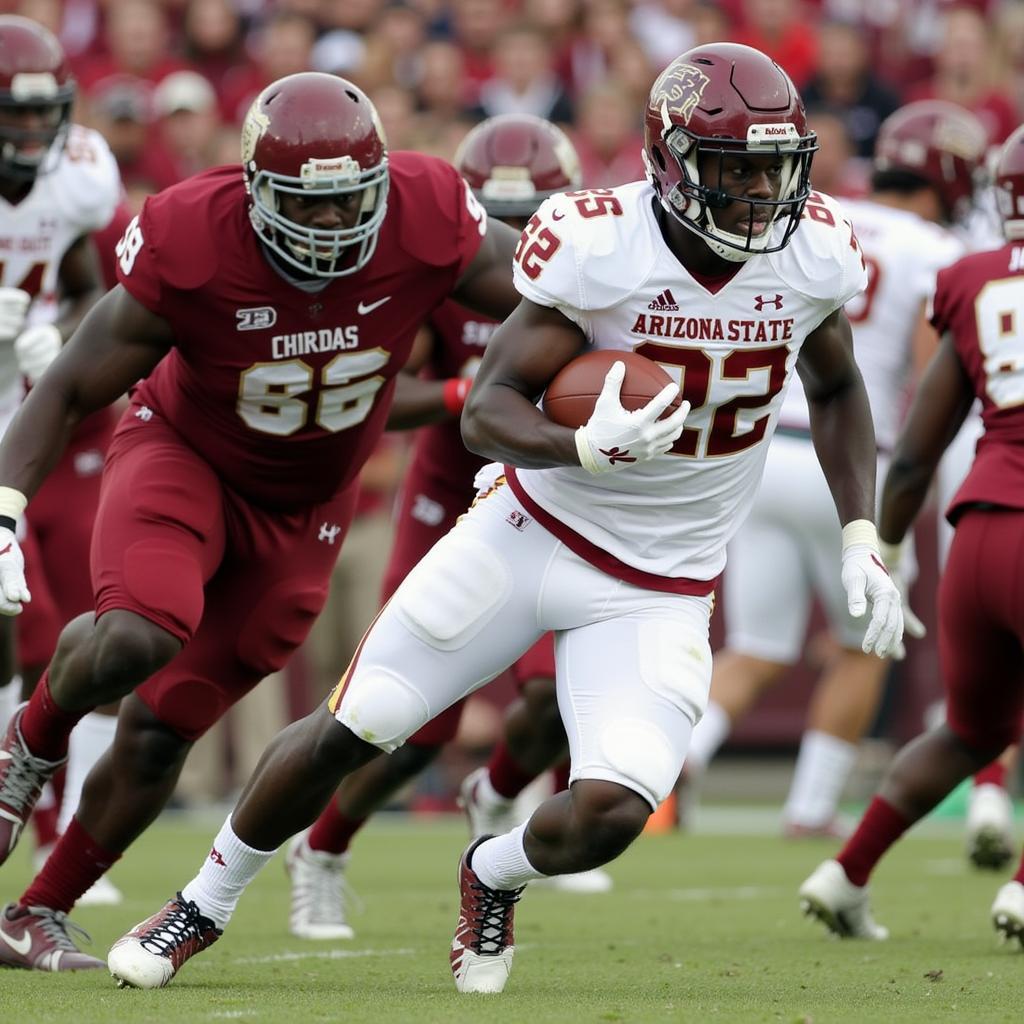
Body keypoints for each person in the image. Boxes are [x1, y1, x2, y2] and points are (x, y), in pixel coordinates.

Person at [107, 43, 903, 994]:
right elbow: (488, 407)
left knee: (615, 808)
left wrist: (862, 530)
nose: (757, 196)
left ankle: (491, 873)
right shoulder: (604, 244)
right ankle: (202, 903)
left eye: (775, 170)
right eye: (734, 172)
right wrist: (582, 449)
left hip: (663, 581)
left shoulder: (813, 249)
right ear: (671, 161)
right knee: (361, 721)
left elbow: (841, 388)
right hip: (532, 532)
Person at [0, 69, 521, 972]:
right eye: (303, 206)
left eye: (348, 202)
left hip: (311, 504)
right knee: (136, 636)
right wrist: (4, 507)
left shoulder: (428, 212)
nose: (329, 225)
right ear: (253, 191)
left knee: (173, 720)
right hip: (186, 457)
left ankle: (32, 914)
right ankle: (29, 743)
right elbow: (74, 379)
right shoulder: (191, 234)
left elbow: (553, 292)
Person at [285, 113, 607, 944]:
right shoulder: (445, 272)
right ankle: (322, 852)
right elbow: (374, 397)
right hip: (451, 484)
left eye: (534, 211)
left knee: (552, 695)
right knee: (407, 720)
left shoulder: (597, 273)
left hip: (552, 488)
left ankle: (495, 795)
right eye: (501, 214)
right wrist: (469, 395)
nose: (516, 232)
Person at [682, 100, 987, 837]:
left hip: (759, 447)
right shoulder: (932, 247)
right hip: (850, 457)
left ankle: (663, 772)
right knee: (865, 647)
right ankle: (811, 808)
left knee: (756, 650)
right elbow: (929, 373)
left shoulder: (811, 214)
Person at [798, 122, 1024, 944]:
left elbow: (915, 450)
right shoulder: (947, 264)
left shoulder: (970, 278)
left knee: (971, 729)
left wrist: (884, 551)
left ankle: (845, 871)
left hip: (979, 531)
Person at [0, 14, 121, 892]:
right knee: (12, 626)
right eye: (15, 115)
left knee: (105, 613)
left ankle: (76, 827)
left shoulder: (79, 177)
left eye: (46, 116)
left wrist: (64, 340)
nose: (33, 135)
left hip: (53, 417)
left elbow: (92, 285)